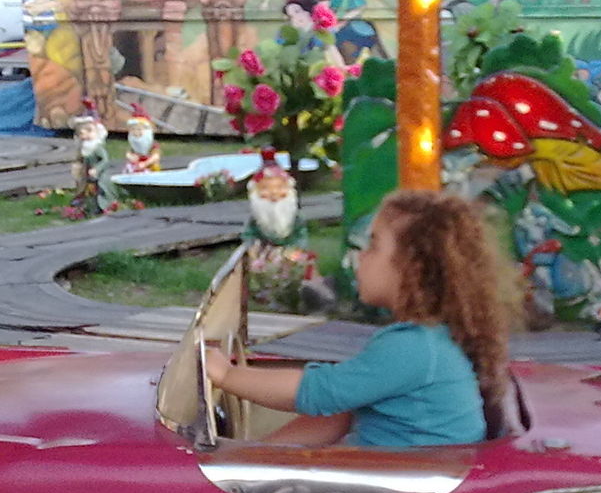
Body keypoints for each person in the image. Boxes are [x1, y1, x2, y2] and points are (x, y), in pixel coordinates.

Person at [206, 190, 514, 447]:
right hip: (402, 480)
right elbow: (338, 414)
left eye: (373, 245)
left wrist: (226, 375)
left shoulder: (413, 348)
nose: (361, 256)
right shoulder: (428, 340)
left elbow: (319, 392)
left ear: (413, 269)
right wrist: (255, 457)